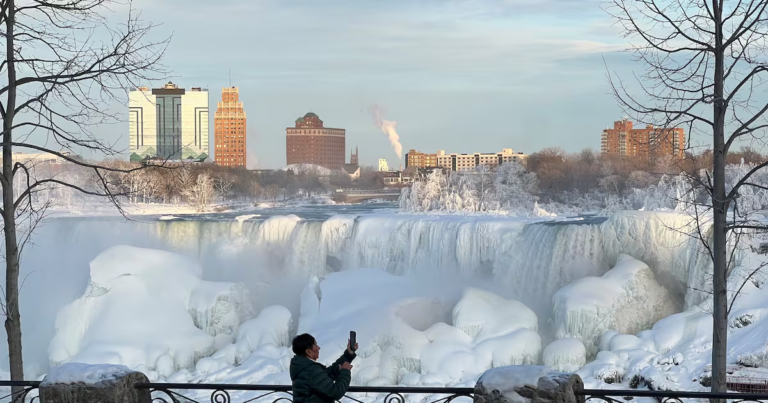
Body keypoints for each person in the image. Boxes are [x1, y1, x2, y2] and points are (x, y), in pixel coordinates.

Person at [289, 333, 358, 403]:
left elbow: (326, 375)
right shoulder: (311, 370)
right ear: (308, 351)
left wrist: (349, 354)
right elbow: (335, 392)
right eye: (315, 345)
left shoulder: (304, 367)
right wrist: (345, 372)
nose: (319, 348)